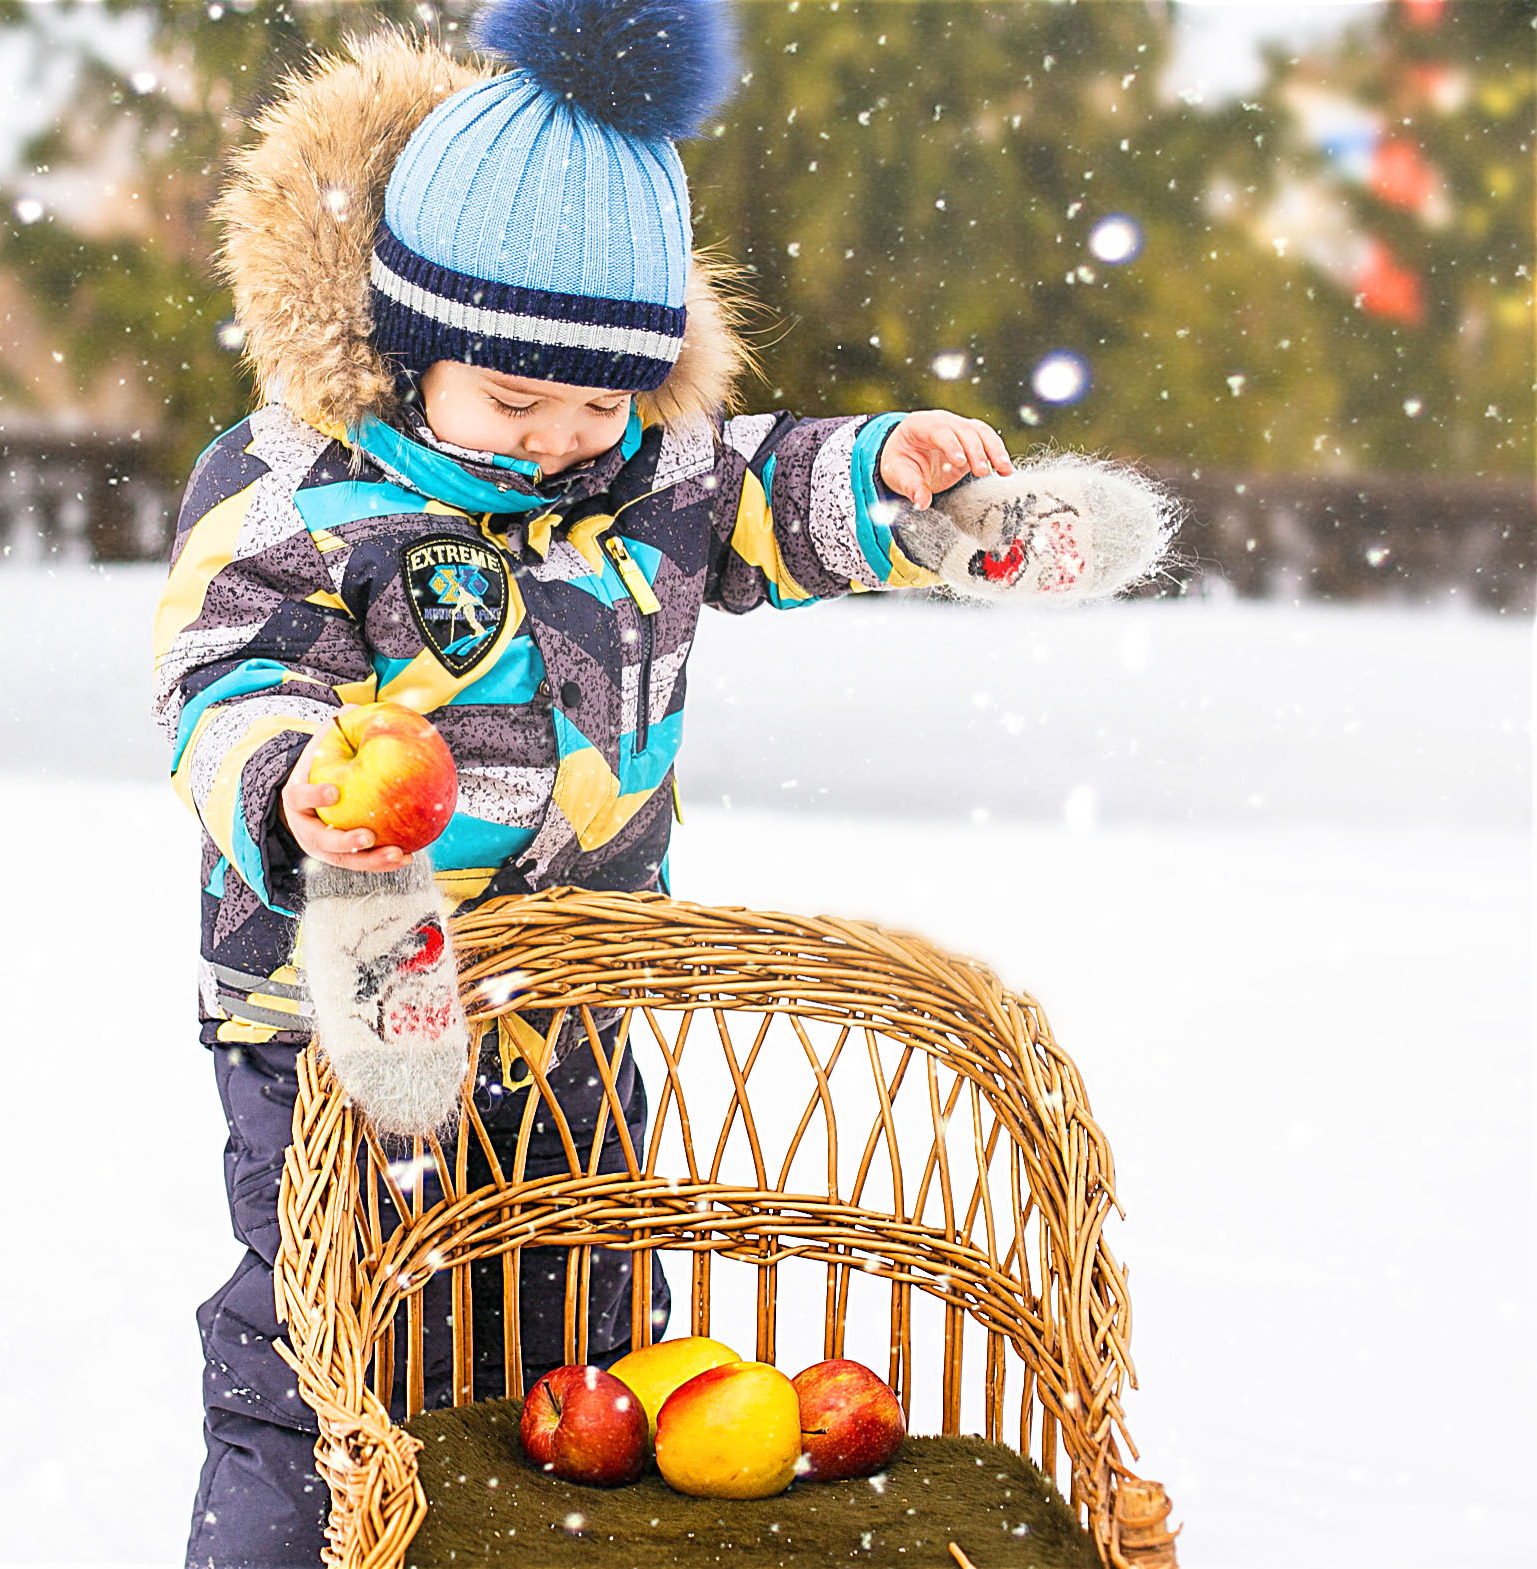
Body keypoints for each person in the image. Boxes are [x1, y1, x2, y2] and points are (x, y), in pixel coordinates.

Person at [150, 4, 1168, 1564]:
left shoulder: (645, 479)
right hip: (332, 997)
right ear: (408, 344)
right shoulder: (297, 484)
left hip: (572, 989)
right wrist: (293, 785)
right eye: (515, 404)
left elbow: (762, 492)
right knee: (335, 1348)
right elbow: (223, 669)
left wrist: (896, 485)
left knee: (585, 1328)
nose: (562, 441)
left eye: (601, 404)